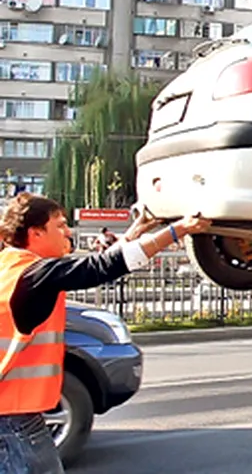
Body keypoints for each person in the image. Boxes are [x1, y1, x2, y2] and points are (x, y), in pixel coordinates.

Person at [0, 192, 210, 473]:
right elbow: (102, 267)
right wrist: (177, 230)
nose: (67, 232)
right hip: (14, 420)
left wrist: (138, 229)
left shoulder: (11, 267)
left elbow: (99, 262)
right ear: (35, 233)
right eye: (60, 225)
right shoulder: (36, 275)